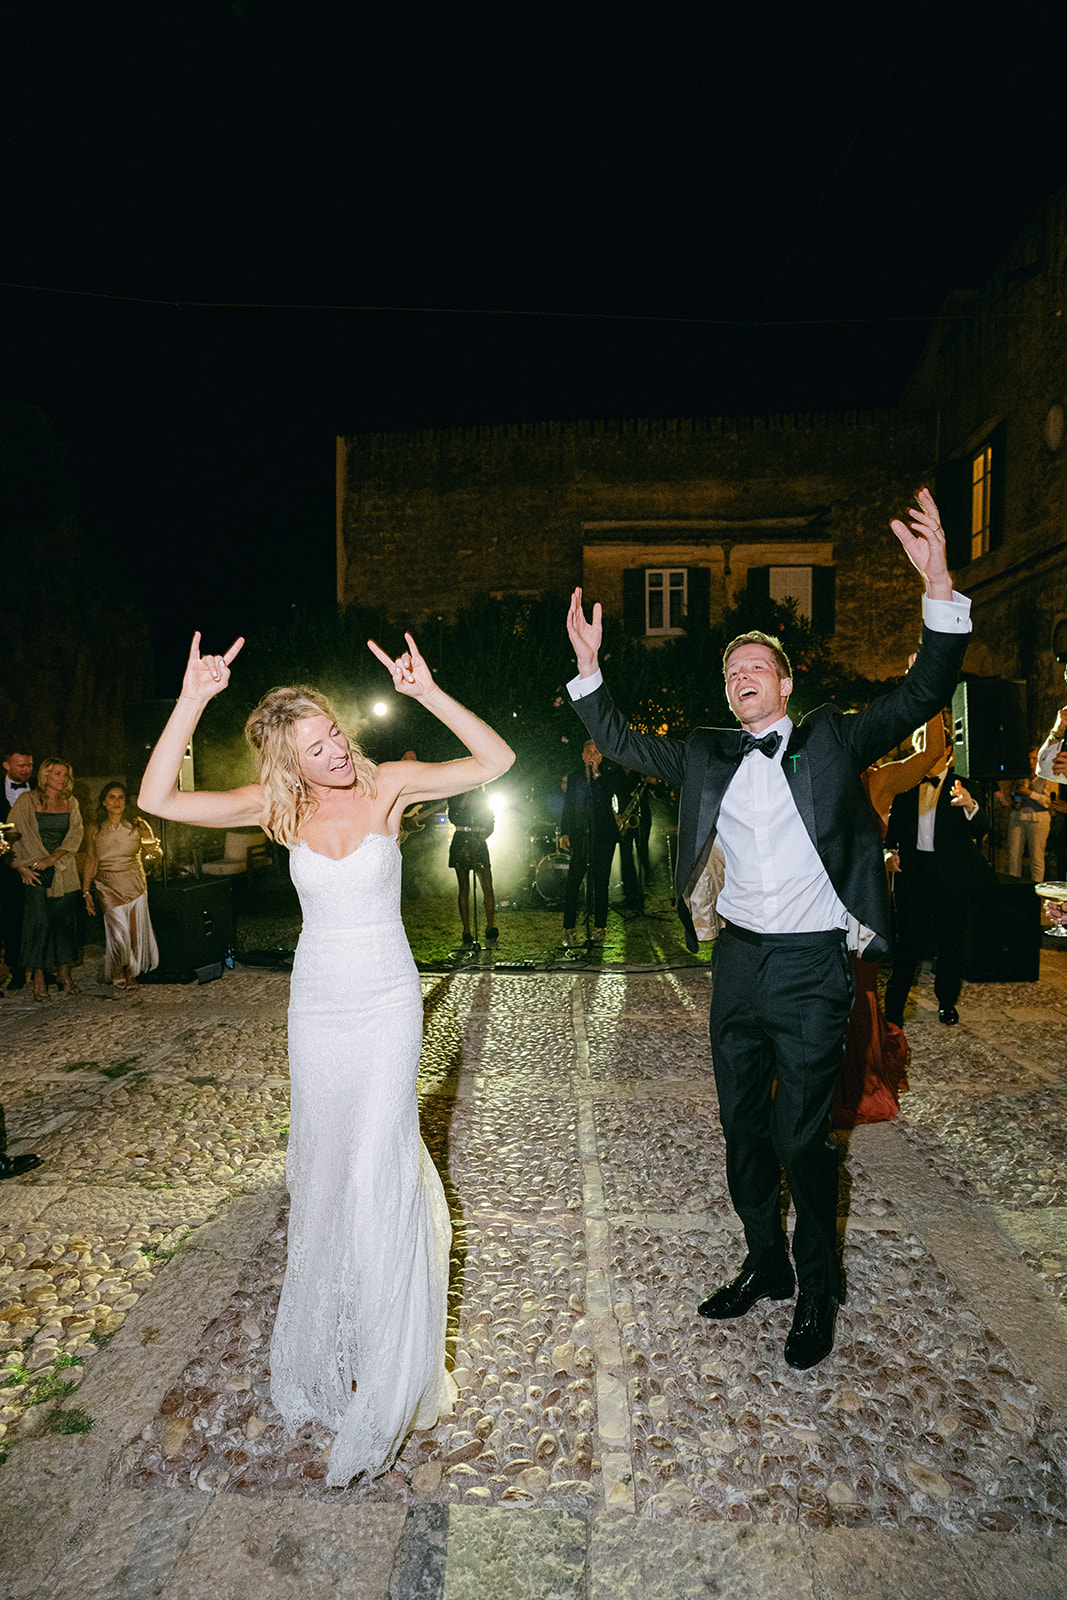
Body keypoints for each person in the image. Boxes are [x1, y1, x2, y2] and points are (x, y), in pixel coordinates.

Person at [564, 488, 970, 1370]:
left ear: (784, 683)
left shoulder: (830, 739)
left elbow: (924, 689)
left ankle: (819, 1286)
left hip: (813, 970)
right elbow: (626, 745)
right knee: (742, 1129)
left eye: (755, 666)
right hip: (738, 963)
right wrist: (590, 673)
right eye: (729, 671)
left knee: (800, 1138)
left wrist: (937, 583)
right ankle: (766, 1263)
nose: (739, 675)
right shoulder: (708, 750)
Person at [137, 629, 514, 1485]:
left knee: (383, 1170)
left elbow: (494, 758)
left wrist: (428, 695)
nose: (338, 751)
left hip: (386, 1006)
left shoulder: (390, 786)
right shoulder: (280, 810)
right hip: (318, 1009)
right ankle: (336, 1343)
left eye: (336, 734)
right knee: (330, 1176)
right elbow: (159, 795)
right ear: (291, 763)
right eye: (318, 748)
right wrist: (192, 700)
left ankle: (393, 1370)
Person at [832, 711, 947, 1129]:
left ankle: (861, 1085)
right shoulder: (812, 779)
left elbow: (933, 752)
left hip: (862, 909)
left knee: (860, 995)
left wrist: (930, 699)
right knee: (822, 995)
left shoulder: (879, 780)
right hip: (816, 908)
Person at [883, 746, 989, 1028]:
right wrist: (888, 855)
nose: (924, 752)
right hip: (913, 878)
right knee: (905, 945)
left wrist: (969, 804)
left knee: (950, 944)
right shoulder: (906, 786)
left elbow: (982, 828)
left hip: (951, 880)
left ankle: (946, 1002)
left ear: (947, 752)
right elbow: (890, 837)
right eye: (920, 746)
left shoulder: (965, 785)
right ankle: (894, 1008)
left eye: (930, 746)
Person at [10, 759, 84, 1001]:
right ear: (45, 775)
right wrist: (20, 866)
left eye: (66, 774)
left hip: (64, 870)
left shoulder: (71, 802)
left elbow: (76, 834)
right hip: (35, 872)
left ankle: (64, 974)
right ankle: (39, 979)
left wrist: (54, 857)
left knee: (63, 925)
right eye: (58, 773)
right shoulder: (26, 801)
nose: (62, 778)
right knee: (39, 924)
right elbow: (9, 835)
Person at [81, 782, 161, 989]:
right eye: (112, 797)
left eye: (121, 797)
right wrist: (86, 890)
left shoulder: (138, 825)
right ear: (104, 802)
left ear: (126, 802)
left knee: (134, 933)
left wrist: (152, 846)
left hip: (134, 882)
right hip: (106, 884)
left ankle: (131, 972)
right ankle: (118, 969)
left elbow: (156, 854)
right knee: (118, 931)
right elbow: (91, 859)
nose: (117, 802)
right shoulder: (94, 828)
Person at [559, 738, 619, 945]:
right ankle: (569, 928)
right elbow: (567, 808)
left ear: (601, 756)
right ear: (583, 755)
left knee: (600, 882)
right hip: (580, 836)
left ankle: (599, 927)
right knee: (573, 882)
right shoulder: (574, 777)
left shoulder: (608, 776)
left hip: (603, 837)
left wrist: (596, 775)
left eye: (596, 752)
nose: (592, 755)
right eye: (588, 752)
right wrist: (564, 832)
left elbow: (607, 798)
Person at [1, 747, 34, 992]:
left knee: (35, 918)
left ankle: (41, 968)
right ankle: (16, 971)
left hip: (35, 861)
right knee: (10, 920)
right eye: (21, 766)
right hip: (4, 867)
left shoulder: (40, 790)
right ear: (7, 766)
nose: (26, 770)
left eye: (29, 765)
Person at [447, 786, 498, 944]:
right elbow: (454, 816)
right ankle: (466, 930)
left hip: (478, 843)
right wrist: (465, 796)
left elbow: (490, 821)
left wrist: (481, 836)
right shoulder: (455, 795)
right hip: (461, 842)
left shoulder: (484, 797)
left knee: (487, 886)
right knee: (464, 888)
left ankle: (490, 926)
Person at [998, 748, 1056, 882]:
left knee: (1036, 857)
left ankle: (1037, 890)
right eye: (1029, 758)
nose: (1031, 762)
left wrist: (1030, 793)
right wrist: (1015, 801)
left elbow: (1049, 801)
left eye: (1034, 758)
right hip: (1019, 817)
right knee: (1013, 855)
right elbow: (1014, 794)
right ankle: (1013, 887)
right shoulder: (1022, 776)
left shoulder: (1047, 776)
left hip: (1038, 819)